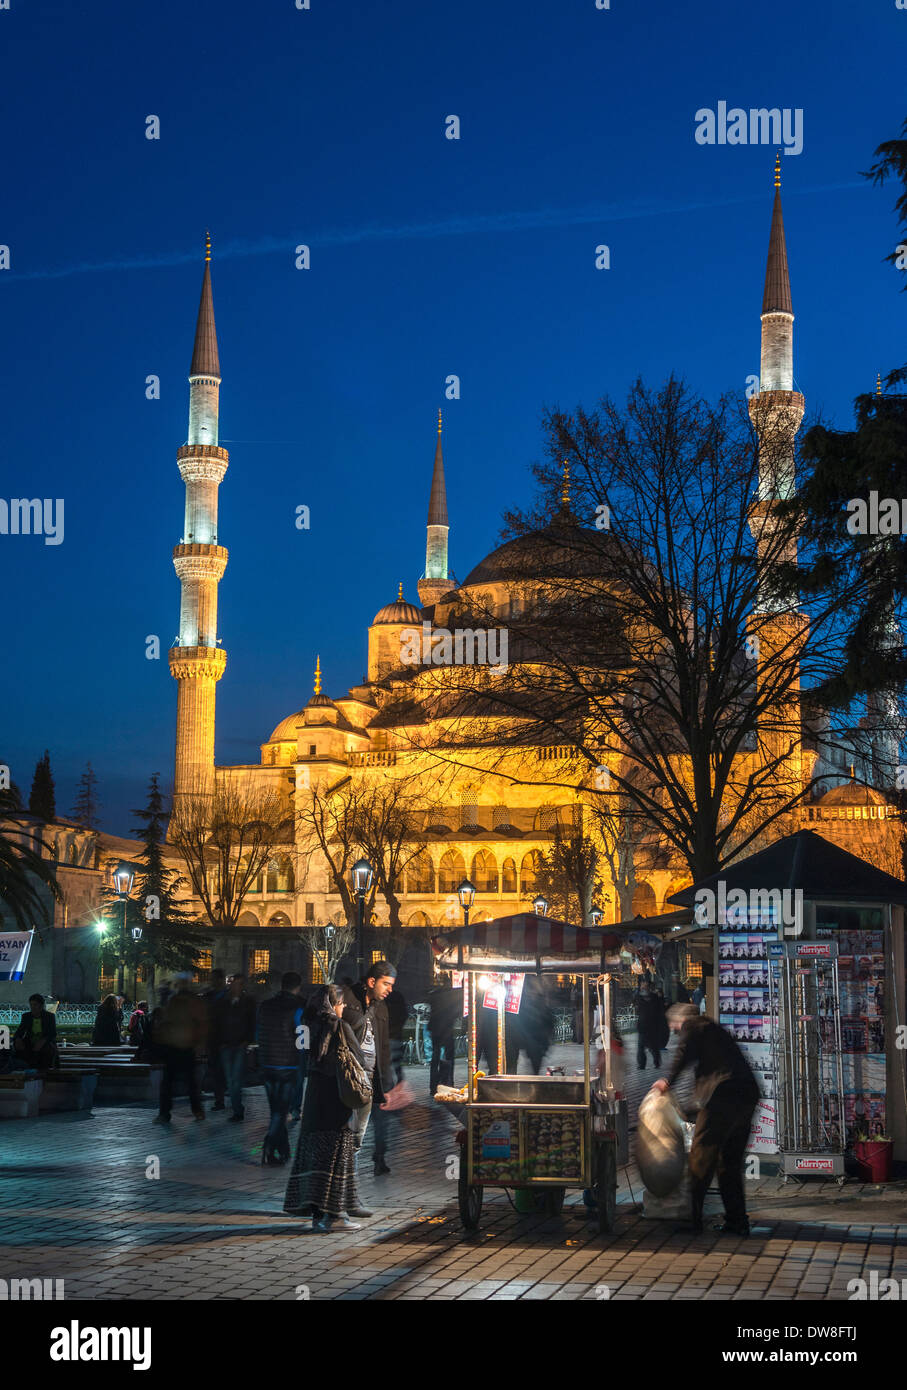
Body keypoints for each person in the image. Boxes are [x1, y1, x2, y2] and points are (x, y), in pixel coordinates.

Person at [650, 1003, 760, 1237]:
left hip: (723, 1096)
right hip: (746, 1095)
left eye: (674, 1027)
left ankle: (693, 1220)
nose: (675, 1032)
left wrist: (667, 1081)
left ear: (680, 1022)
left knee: (701, 1158)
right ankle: (737, 1221)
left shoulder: (693, 1027)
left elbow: (683, 1055)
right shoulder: (713, 1029)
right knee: (728, 1162)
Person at [283, 985, 371, 1230]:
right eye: (341, 1004)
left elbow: (300, 1056)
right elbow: (360, 1059)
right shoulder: (339, 1026)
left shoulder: (307, 1026)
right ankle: (336, 1216)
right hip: (336, 1099)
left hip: (313, 1100)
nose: (342, 1008)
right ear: (334, 1004)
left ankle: (316, 1214)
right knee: (336, 1157)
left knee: (315, 1157)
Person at [340, 961, 395, 1177]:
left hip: (369, 1080)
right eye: (386, 984)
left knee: (358, 1135)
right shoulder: (346, 998)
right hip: (347, 1078)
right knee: (343, 1131)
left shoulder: (381, 1006)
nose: (390, 990)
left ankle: (347, 1183)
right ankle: (340, 1182)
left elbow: (383, 1046)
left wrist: (386, 1084)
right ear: (372, 981)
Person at [257, 972, 305, 1165]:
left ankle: (282, 1150)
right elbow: (303, 1037)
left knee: (276, 1109)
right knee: (281, 1110)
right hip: (288, 1064)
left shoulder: (265, 1006)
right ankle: (268, 1145)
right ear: (298, 987)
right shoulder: (298, 1007)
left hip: (267, 1063)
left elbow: (258, 1031)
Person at [153, 974, 208, 1124]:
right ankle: (192, 1111)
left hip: (182, 1045)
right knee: (184, 1082)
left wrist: (199, 1044)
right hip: (179, 1046)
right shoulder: (180, 1000)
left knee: (179, 1082)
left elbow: (200, 1023)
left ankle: (167, 1113)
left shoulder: (180, 1000)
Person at [213, 972, 256, 1121]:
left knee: (235, 1079)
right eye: (233, 984)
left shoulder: (248, 1002)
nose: (235, 987)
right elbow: (216, 1023)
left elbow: (252, 1022)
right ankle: (237, 1108)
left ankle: (238, 1109)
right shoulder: (223, 1002)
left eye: (238, 984)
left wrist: (247, 1041)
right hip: (226, 1044)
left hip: (239, 1045)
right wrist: (219, 1042)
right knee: (230, 1079)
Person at [427, 976, 461, 1095]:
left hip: (435, 1029)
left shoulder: (435, 994)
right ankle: (447, 1082)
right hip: (446, 1029)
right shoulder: (451, 996)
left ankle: (433, 1086)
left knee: (435, 1058)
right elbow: (456, 1012)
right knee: (448, 1057)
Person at [201, 969, 227, 1110]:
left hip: (226, 1039)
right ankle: (220, 1099)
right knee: (217, 1070)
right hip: (214, 1039)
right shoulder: (209, 996)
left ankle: (223, 1098)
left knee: (220, 1070)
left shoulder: (228, 996)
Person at [13, 994, 58, 1071]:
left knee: (45, 1050)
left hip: (45, 1044)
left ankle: (43, 1072)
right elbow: (19, 1032)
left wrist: (43, 1041)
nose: (32, 1007)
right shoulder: (27, 1016)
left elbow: (52, 1033)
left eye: (35, 1005)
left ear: (41, 1005)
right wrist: (17, 1039)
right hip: (30, 1043)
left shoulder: (49, 1016)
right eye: (31, 1005)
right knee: (18, 1049)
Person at [635, 981, 668, 1070]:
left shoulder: (655, 997)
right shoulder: (639, 997)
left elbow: (660, 1010)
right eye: (642, 986)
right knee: (641, 1046)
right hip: (643, 1026)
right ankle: (641, 1064)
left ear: (648, 987)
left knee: (653, 1046)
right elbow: (637, 1010)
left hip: (653, 1026)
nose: (643, 987)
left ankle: (656, 1061)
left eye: (644, 986)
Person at [384, 985, 408, 1087]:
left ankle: (392, 1087)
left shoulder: (385, 1001)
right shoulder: (398, 998)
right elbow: (404, 1015)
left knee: (389, 1065)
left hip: (388, 1037)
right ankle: (398, 1083)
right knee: (397, 1065)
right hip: (397, 1036)